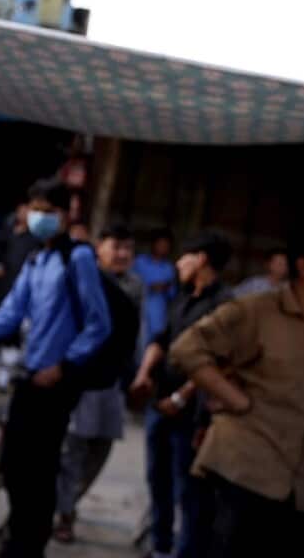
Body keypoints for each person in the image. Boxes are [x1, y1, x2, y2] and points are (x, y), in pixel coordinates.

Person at [171, 220, 304, 557]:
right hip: (243, 473)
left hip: (301, 490)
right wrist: (236, 400)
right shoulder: (257, 311)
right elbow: (187, 348)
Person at [0, 178, 112, 558]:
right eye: (36, 210)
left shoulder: (77, 258)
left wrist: (65, 366)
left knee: (39, 469)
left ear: (66, 215)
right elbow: (13, 310)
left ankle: (29, 547)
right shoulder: (37, 258)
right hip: (31, 375)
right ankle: (16, 539)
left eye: (48, 211)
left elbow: (99, 324)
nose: (40, 217)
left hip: (59, 380)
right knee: (15, 464)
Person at [128, 232, 234, 558]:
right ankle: (160, 546)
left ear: (201, 259)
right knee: (157, 479)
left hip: (192, 413)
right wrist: (144, 374)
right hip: (160, 403)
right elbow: (162, 339)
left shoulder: (224, 306)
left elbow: (218, 363)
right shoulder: (183, 296)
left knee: (188, 490)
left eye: (184, 256)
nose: (177, 263)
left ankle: (185, 551)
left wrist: (182, 398)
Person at [53, 224, 140, 544]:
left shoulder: (134, 287)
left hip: (113, 382)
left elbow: (135, 337)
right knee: (74, 448)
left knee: (100, 449)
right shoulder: (84, 279)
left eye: (128, 249)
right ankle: (63, 513)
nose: (122, 255)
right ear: (99, 248)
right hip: (82, 376)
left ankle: (68, 503)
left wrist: (136, 376)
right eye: (116, 247)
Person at [0, 202, 41, 304]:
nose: (24, 214)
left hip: (22, 277)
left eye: (28, 212)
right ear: (17, 213)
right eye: (22, 211)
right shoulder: (7, 230)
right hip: (5, 277)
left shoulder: (35, 236)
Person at [135, 228, 177, 348]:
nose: (163, 248)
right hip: (140, 308)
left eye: (166, 245)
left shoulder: (169, 268)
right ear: (153, 244)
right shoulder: (139, 262)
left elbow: (172, 294)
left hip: (158, 313)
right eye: (160, 244)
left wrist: (165, 287)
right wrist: (150, 286)